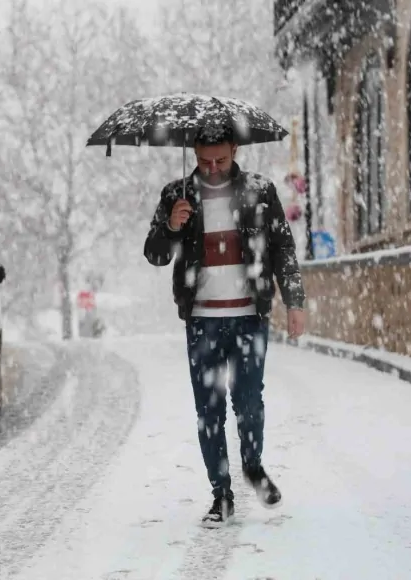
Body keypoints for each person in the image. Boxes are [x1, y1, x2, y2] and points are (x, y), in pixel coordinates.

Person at [143, 124, 306, 528]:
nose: (213, 168)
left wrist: (295, 300)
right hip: (202, 321)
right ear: (193, 154)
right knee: (209, 410)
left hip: (250, 316)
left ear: (235, 149)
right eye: (203, 161)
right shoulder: (175, 196)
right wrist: (171, 227)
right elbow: (155, 254)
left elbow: (283, 245)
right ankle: (222, 495)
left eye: (220, 159)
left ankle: (252, 465)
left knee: (249, 403)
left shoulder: (260, 190)